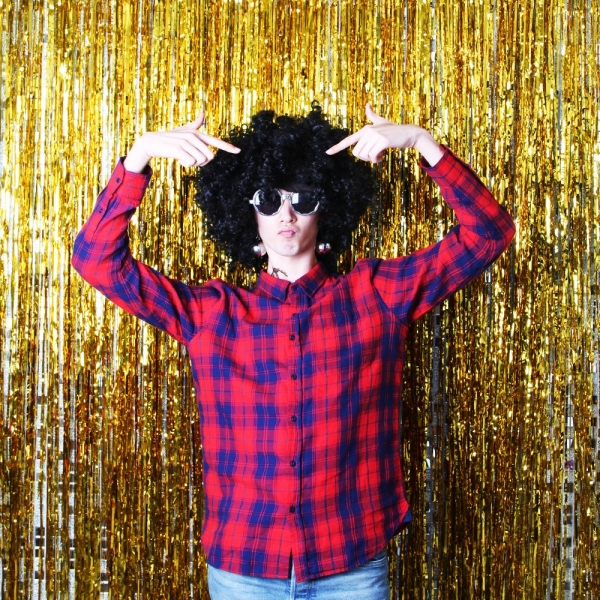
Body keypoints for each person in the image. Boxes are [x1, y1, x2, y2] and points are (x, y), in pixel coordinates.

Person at [72, 102, 515, 599]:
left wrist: (422, 143)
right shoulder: (211, 314)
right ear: (248, 214)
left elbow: (489, 232)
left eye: (303, 199)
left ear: (326, 208)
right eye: (268, 199)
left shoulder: (376, 296)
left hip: (350, 566)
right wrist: (139, 156)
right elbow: (96, 261)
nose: (286, 214)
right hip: (244, 568)